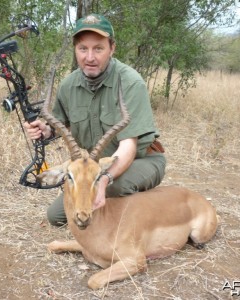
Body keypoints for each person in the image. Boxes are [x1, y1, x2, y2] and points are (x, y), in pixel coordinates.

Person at [24, 14, 166, 226]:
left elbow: (129, 147)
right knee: (57, 216)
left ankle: (150, 214)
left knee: (112, 187)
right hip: (95, 168)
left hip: (141, 160)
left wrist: (103, 180)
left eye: (98, 48)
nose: (89, 57)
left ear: (112, 48)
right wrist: (44, 131)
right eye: (83, 49)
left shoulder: (130, 82)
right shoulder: (69, 85)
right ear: (76, 49)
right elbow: (59, 126)